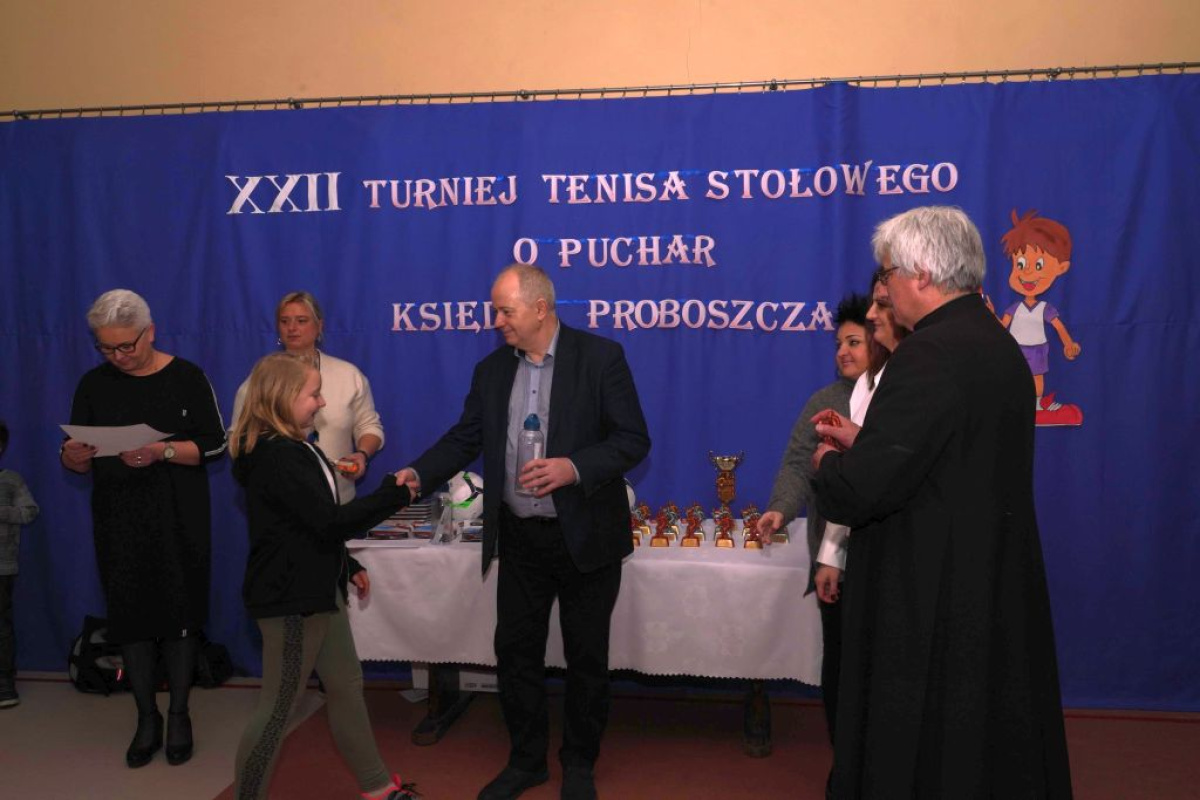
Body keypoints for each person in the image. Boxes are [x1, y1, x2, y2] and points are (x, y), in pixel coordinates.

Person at [811, 207, 1073, 798]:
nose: (883, 293)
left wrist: (828, 462)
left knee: (919, 751)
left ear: (922, 274)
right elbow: (948, 454)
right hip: (988, 579)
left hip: (928, 590)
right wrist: (869, 441)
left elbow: (859, 491)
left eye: (888, 276)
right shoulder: (997, 344)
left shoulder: (926, 355)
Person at [396, 264, 651, 800]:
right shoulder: (491, 370)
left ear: (540, 308)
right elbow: (464, 437)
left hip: (585, 537)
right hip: (520, 538)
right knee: (515, 655)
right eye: (495, 311)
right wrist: (420, 472)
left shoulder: (601, 358)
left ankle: (578, 764)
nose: (497, 321)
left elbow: (632, 439)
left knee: (586, 658)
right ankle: (526, 761)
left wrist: (572, 468)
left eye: (505, 311)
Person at [229, 352, 419, 800]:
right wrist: (393, 494)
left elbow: (305, 525)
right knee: (278, 709)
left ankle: (377, 787)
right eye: (313, 394)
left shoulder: (296, 449)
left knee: (346, 686)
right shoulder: (279, 457)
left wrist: (346, 565)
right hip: (293, 599)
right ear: (283, 398)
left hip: (319, 590)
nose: (321, 403)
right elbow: (329, 522)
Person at [61, 289, 227, 767]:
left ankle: (179, 714)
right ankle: (145, 717)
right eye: (106, 348)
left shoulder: (187, 377)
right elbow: (76, 458)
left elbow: (216, 445)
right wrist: (72, 456)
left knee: (180, 615)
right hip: (119, 519)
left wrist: (163, 451)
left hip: (179, 518)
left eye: (126, 346)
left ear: (150, 332)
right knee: (130, 618)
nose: (117, 356)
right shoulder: (94, 384)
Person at [756, 292, 870, 744]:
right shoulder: (824, 400)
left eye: (854, 342)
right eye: (839, 344)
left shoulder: (902, 398)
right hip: (833, 561)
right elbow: (797, 465)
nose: (842, 352)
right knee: (838, 661)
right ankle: (843, 757)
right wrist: (780, 509)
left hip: (886, 557)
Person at [810, 270, 911, 608]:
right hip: (868, 551)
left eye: (882, 304)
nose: (871, 314)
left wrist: (834, 459)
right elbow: (856, 478)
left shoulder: (918, 375)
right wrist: (831, 555)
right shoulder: (867, 386)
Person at [0, 419, 40, 709]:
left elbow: (29, 512)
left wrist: (2, 511)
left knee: (1, 627)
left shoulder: (11, 480)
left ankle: (4, 683)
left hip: (2, 567)